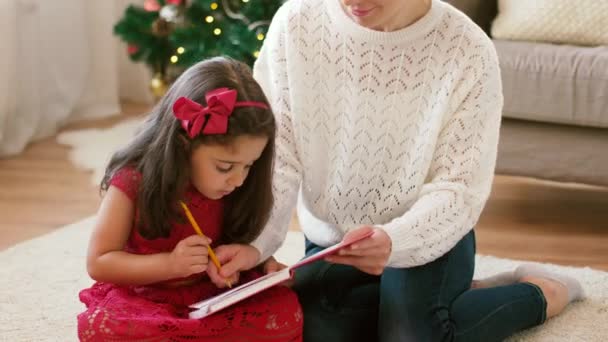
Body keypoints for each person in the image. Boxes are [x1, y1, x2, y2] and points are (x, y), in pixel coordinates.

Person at [221, 0, 585, 341]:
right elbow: (277, 158)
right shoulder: (295, 24)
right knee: (311, 329)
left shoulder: (467, 50)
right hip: (334, 242)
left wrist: (397, 242)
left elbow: (458, 188)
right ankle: (453, 300)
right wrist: (256, 243)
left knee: (410, 335)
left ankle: (542, 292)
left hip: (431, 235)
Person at [77, 57, 303, 341]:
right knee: (103, 326)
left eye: (249, 165)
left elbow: (240, 239)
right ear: (184, 142)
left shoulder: (235, 187)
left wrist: (260, 261)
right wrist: (170, 265)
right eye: (225, 167)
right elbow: (99, 262)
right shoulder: (133, 180)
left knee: (285, 311)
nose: (239, 180)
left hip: (211, 294)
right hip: (146, 295)